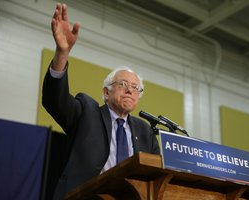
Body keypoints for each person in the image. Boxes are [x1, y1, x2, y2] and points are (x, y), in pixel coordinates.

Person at [42, 3, 160, 200]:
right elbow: (55, 101)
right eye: (123, 84)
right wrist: (62, 53)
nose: (130, 90)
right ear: (106, 92)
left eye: (136, 88)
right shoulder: (87, 112)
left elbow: (157, 173)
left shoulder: (145, 131)